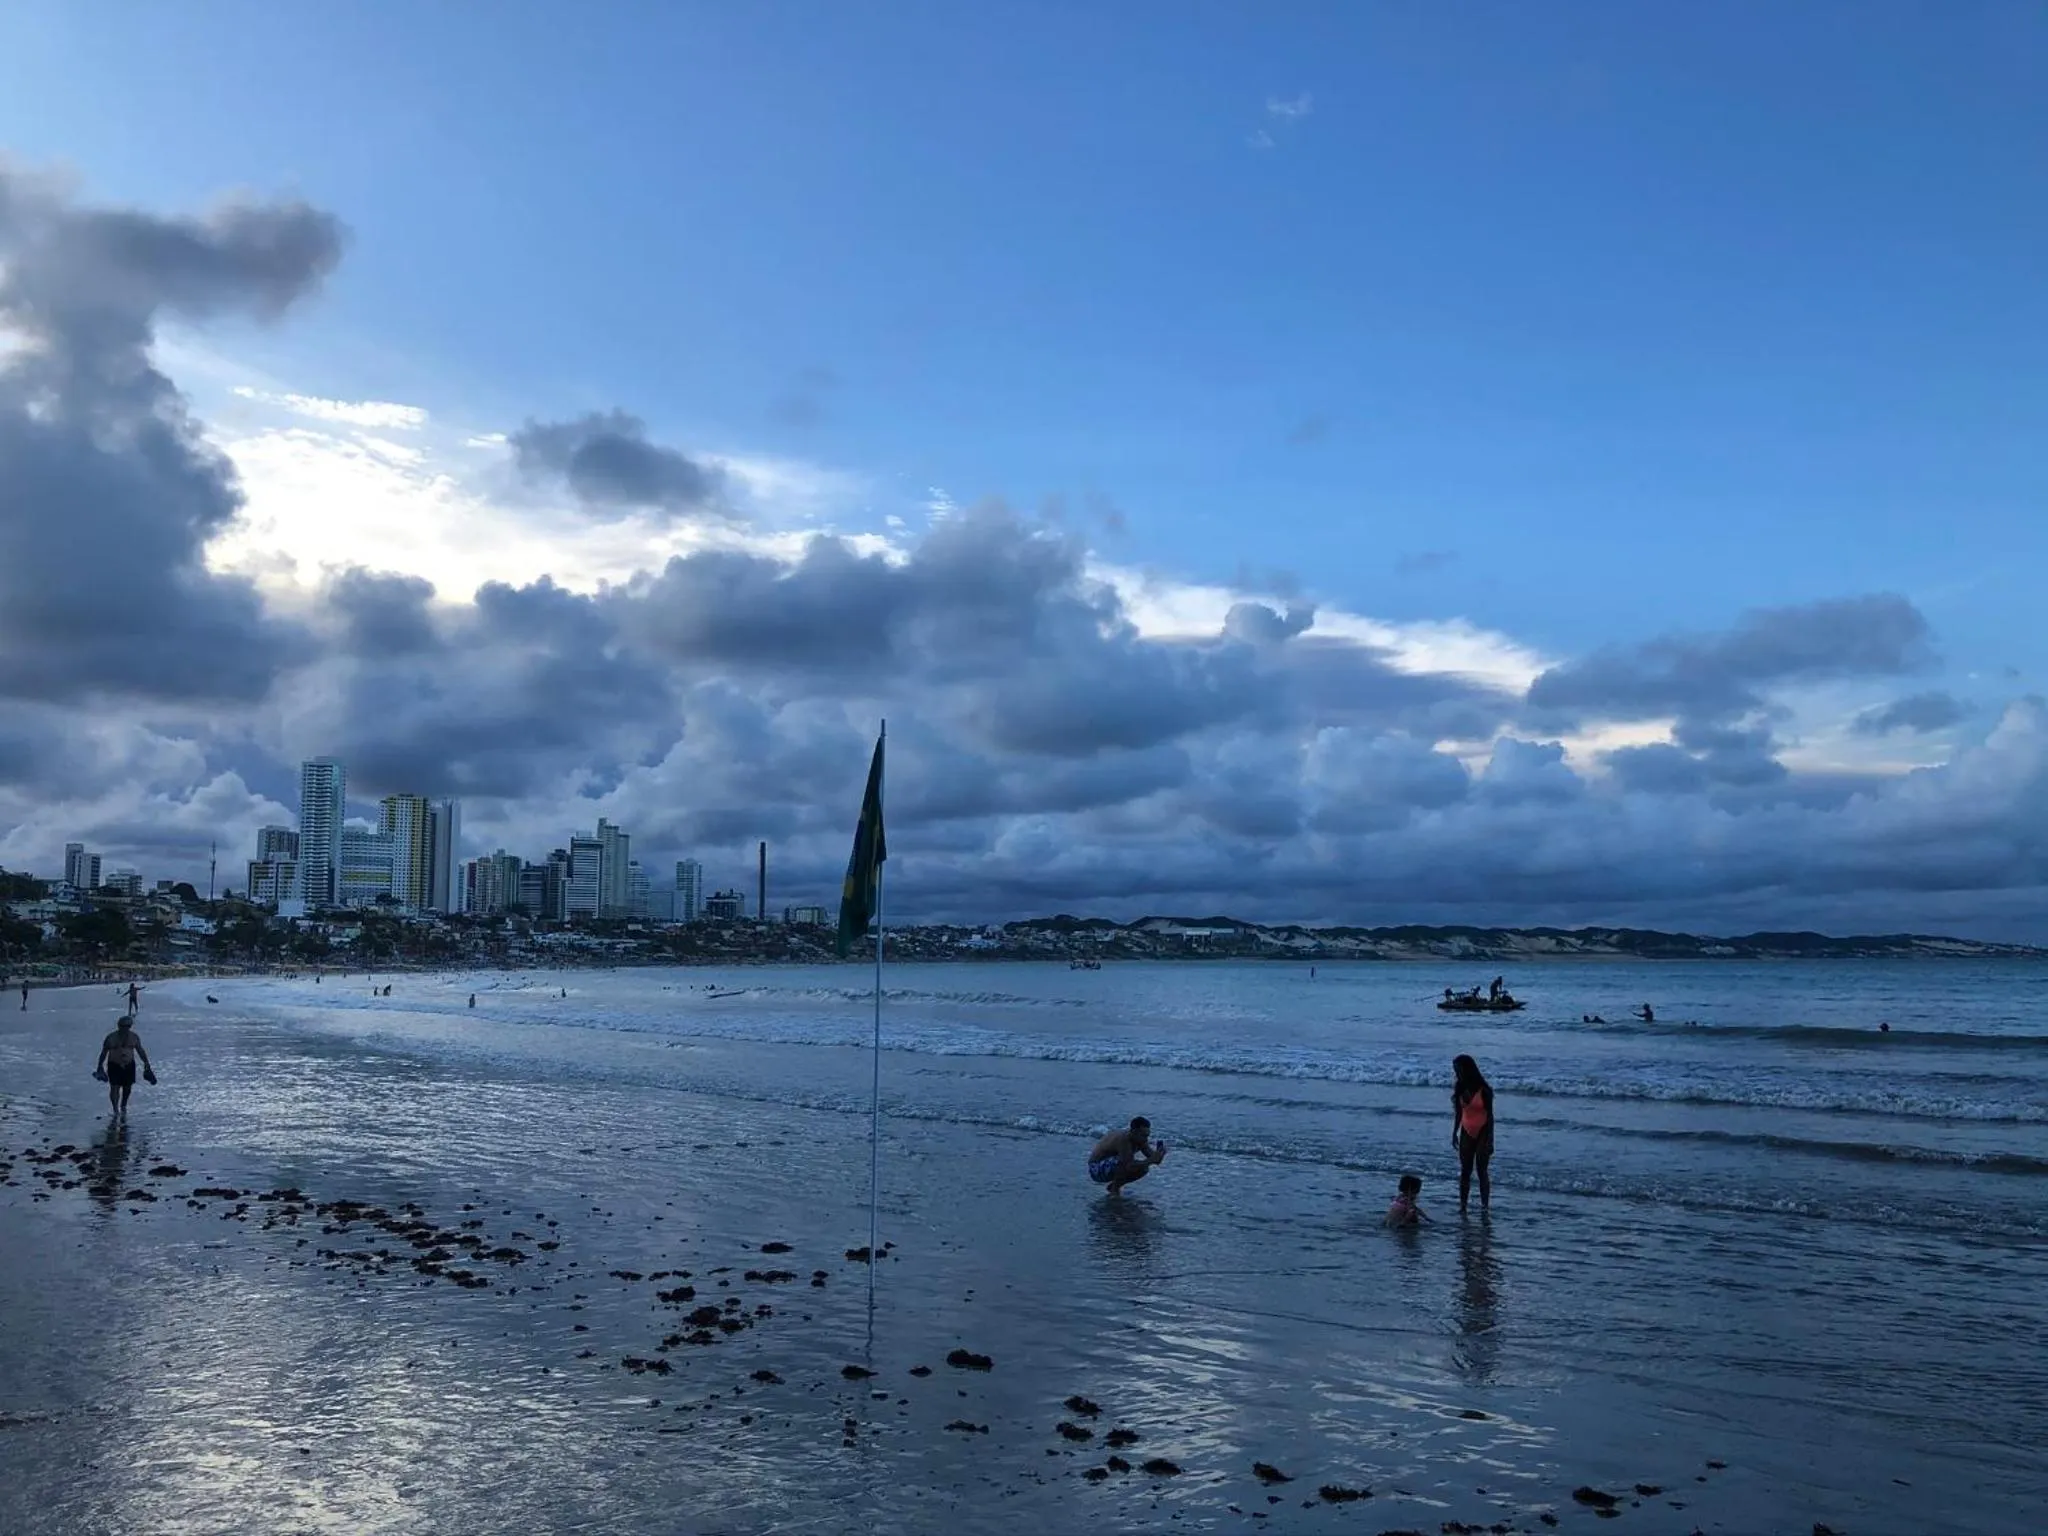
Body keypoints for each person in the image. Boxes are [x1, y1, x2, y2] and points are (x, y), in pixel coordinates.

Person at [1451, 1054, 1494, 1214]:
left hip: (1483, 1130)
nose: (1456, 1073)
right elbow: (1458, 1113)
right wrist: (1454, 1132)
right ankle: (1463, 1205)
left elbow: (1490, 1116)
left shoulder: (1484, 1090)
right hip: (1466, 1130)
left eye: (1458, 1069)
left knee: (1482, 1170)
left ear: (1467, 1069)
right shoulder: (1459, 1088)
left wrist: (1490, 1139)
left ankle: (1485, 1206)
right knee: (1465, 1171)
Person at [1088, 1116, 1169, 1198]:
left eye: (1147, 1135)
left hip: (1110, 1165)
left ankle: (1114, 1187)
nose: (1146, 1139)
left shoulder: (1141, 1139)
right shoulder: (1124, 1139)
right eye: (1143, 1135)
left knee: (1143, 1168)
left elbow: (1155, 1160)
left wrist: (1160, 1154)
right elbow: (1128, 1165)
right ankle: (1115, 1190)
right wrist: (1150, 1160)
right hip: (1096, 1168)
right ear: (1133, 1131)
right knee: (1124, 1163)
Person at [93, 1016, 156, 1117]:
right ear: (119, 1026)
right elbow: (103, 1053)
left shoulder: (134, 1037)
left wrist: (146, 1063)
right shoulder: (111, 1037)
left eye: (127, 1026)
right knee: (114, 1087)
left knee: (127, 1088)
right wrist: (100, 1066)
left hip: (129, 1065)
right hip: (114, 1064)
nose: (125, 1028)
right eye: (123, 1026)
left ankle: (123, 1105)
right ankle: (115, 1109)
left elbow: (140, 1051)